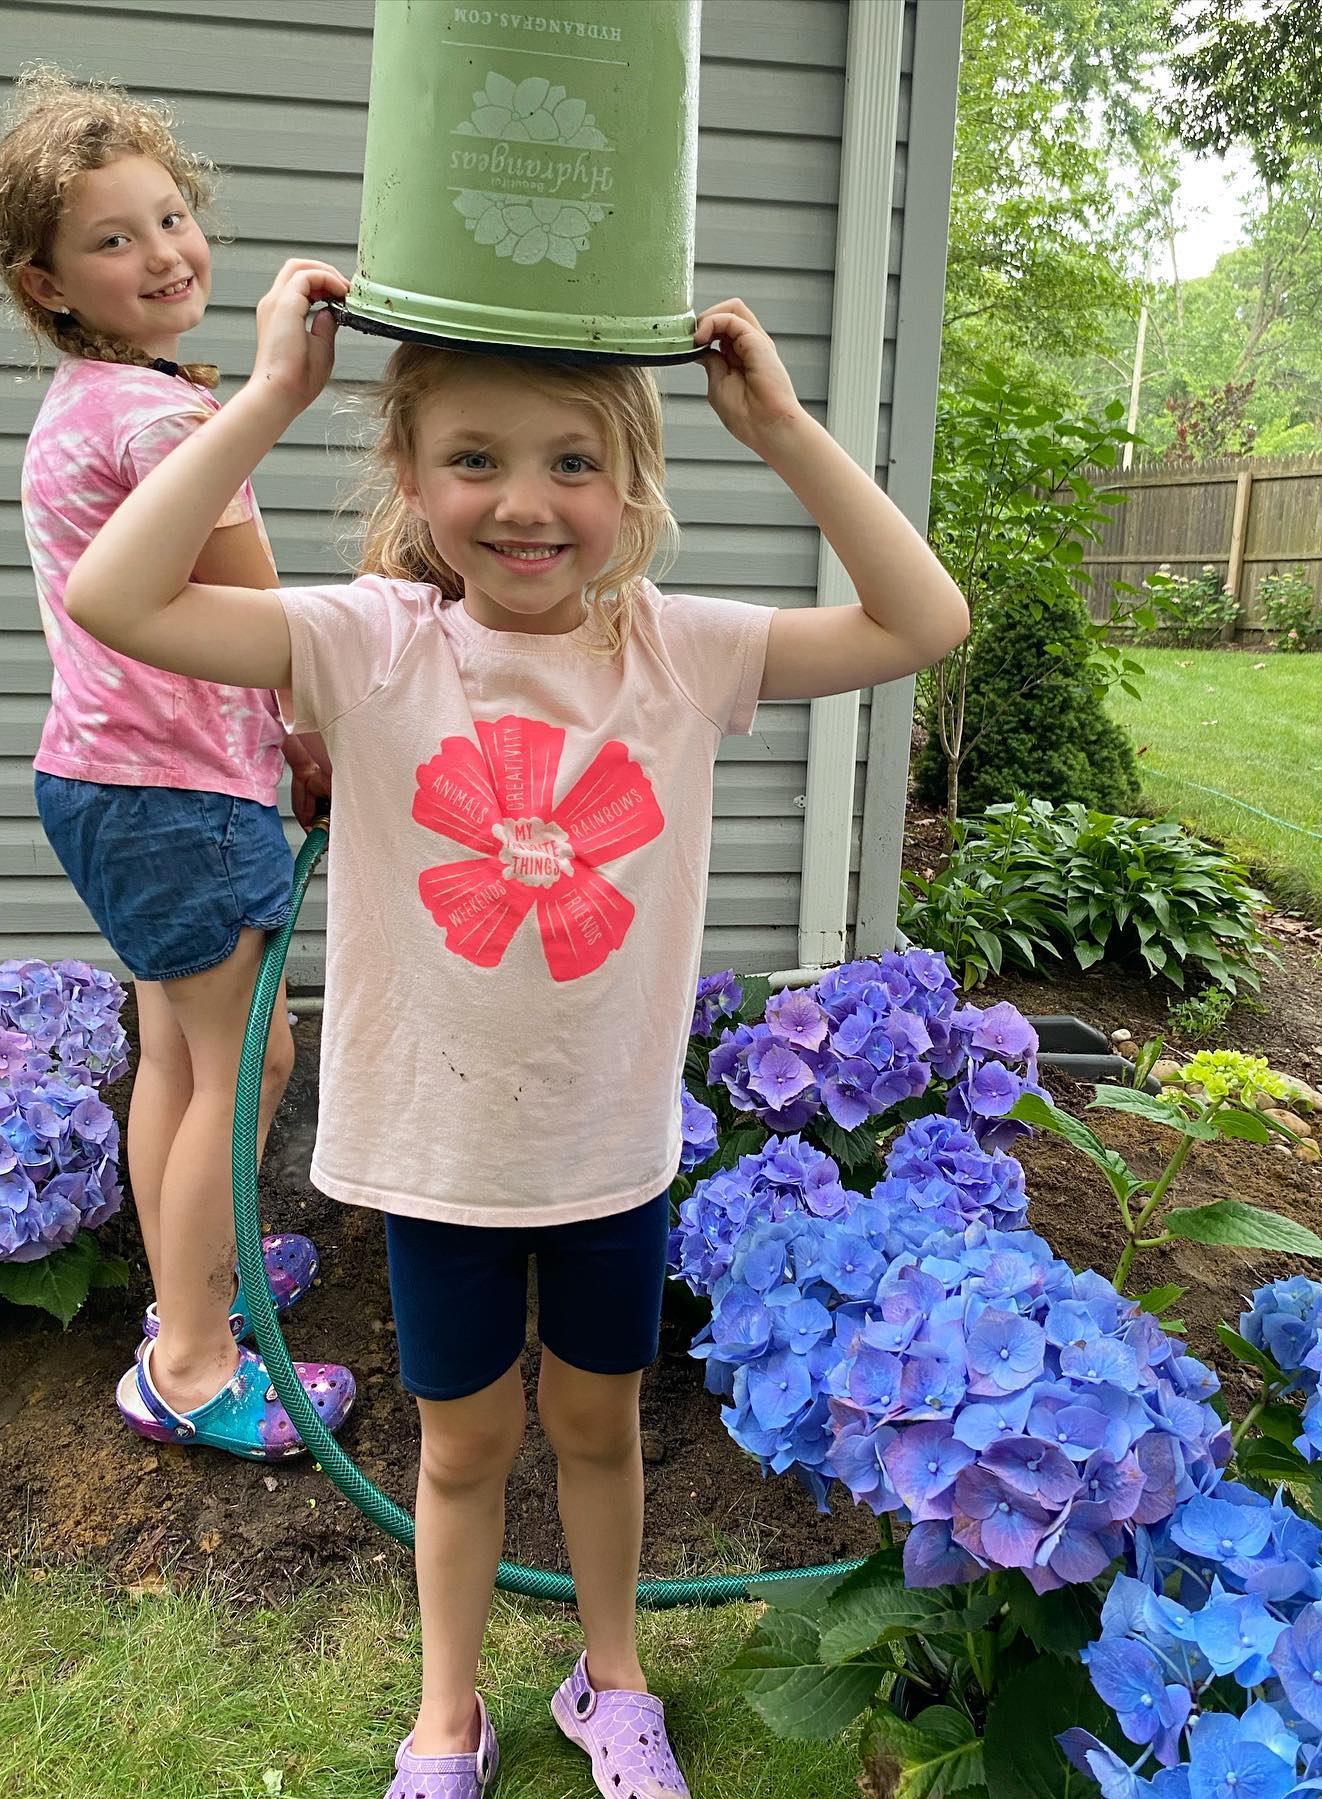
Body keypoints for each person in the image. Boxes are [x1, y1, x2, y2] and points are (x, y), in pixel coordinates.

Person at [63, 254, 970, 1799]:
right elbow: (115, 594)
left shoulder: (679, 653)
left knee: (602, 1433)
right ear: (412, 480)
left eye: (573, 462)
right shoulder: (369, 644)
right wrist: (275, 393)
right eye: (473, 459)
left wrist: (788, 430)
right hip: (440, 1159)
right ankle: (446, 1713)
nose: (525, 501)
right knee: (464, 1450)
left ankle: (608, 1681)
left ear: (631, 487)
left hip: (606, 1147)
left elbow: (922, 618)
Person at [0, 69, 354, 1460]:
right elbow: (267, 629)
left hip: (104, 784)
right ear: (48, 282)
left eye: (169, 217)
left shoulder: (101, 403)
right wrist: (312, 744)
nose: (162, 254)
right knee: (246, 1063)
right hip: (179, 801)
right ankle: (198, 1366)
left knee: (175, 1062)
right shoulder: (166, 424)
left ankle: (187, 1295)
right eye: (112, 240)